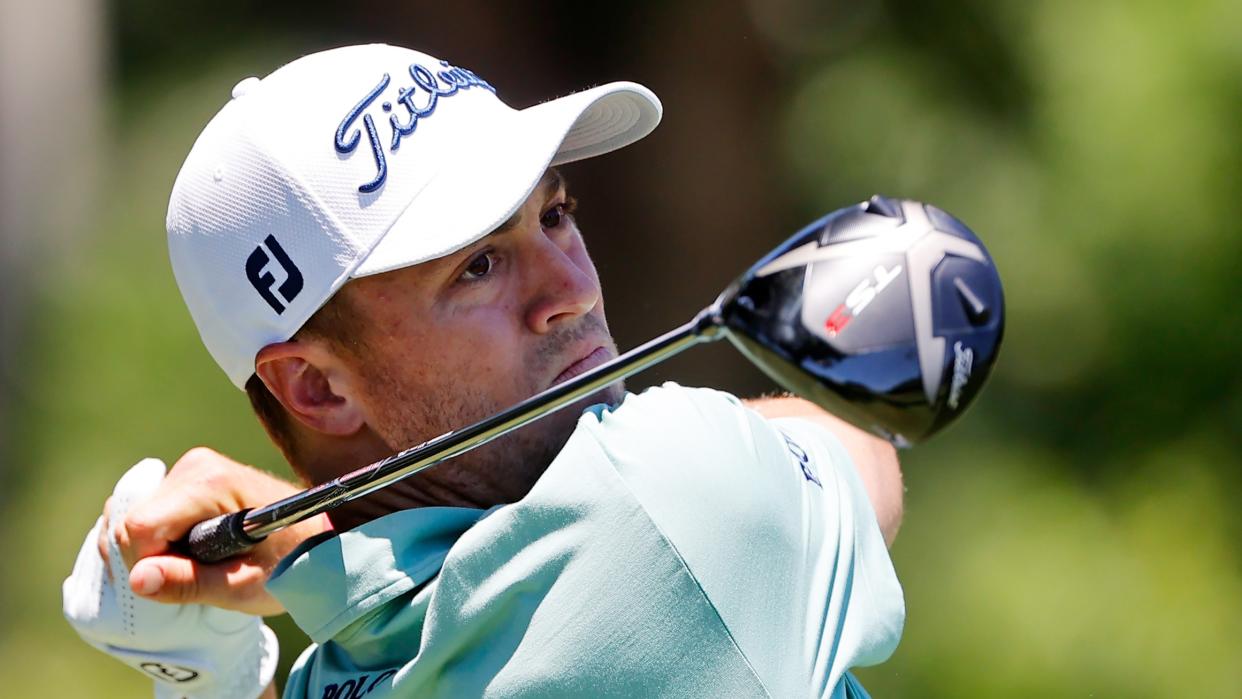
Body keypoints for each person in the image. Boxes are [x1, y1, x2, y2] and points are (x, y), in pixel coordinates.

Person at [63, 43, 905, 698]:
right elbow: (860, 441)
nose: (572, 290)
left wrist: (212, 676)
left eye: (556, 213)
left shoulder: (343, 665)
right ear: (317, 387)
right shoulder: (675, 491)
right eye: (478, 267)